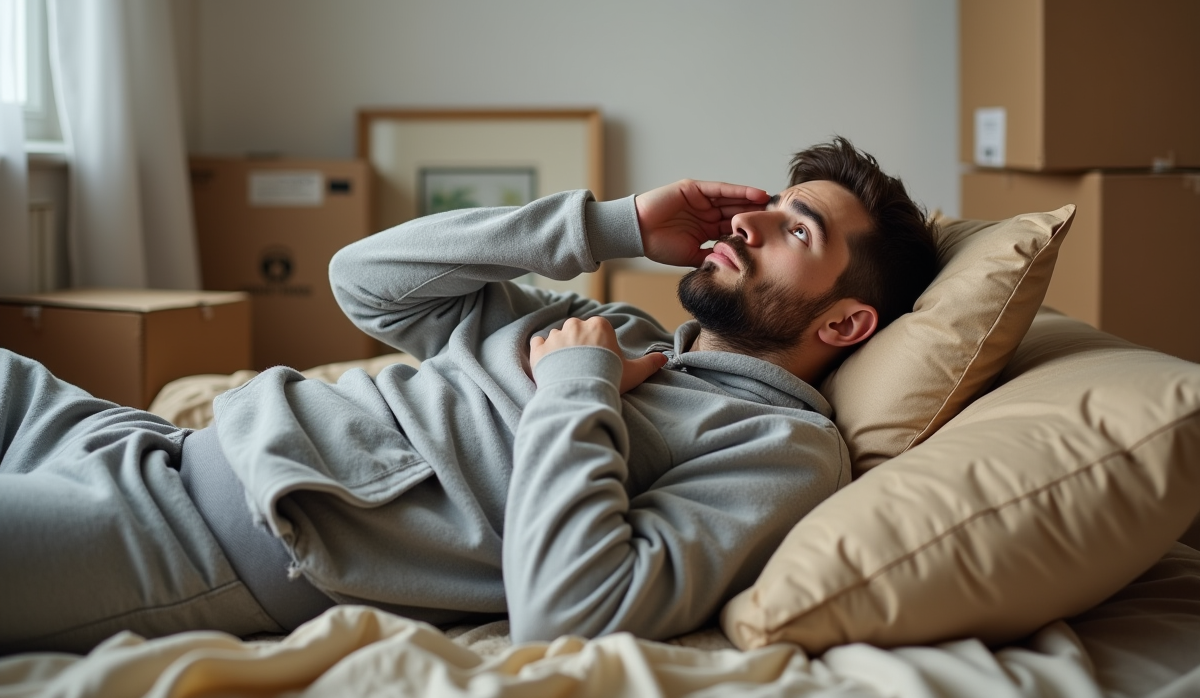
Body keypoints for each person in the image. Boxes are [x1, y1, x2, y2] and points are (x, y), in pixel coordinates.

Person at [0, 136, 938, 654]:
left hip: (202, 542)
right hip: (135, 439)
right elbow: (365, 281)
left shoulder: (779, 446)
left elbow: (573, 613)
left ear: (846, 325)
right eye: (770, 202)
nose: (751, 218)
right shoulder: (623, 331)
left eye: (795, 230)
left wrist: (578, 391)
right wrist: (607, 226)